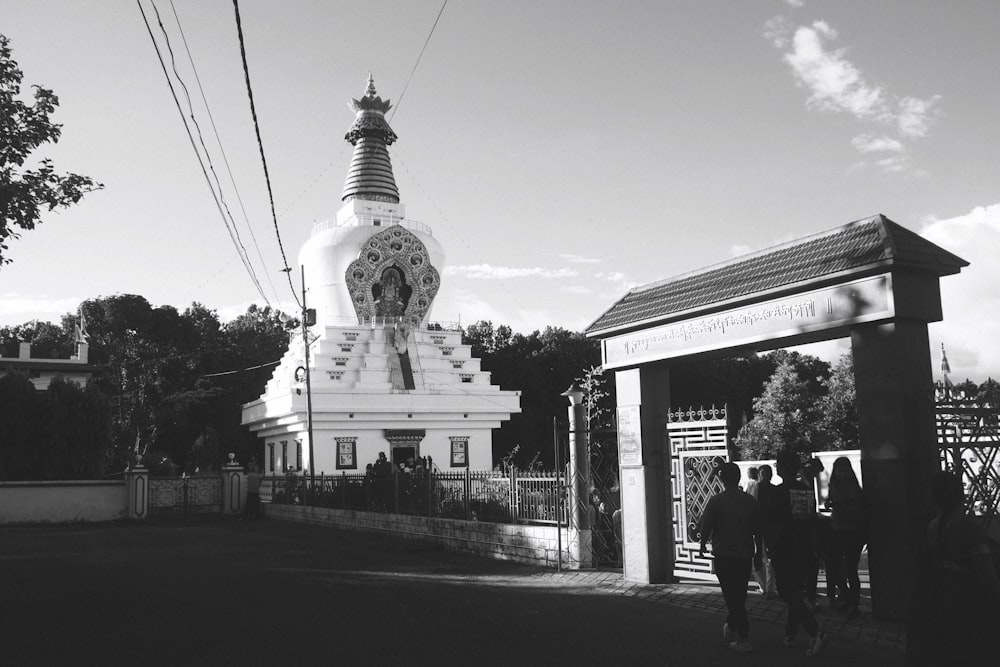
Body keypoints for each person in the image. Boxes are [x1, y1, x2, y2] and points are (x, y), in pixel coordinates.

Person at [907, 471, 1000, 666]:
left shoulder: (931, 528)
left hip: (944, 606)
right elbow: (989, 579)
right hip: (971, 609)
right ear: (962, 496)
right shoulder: (970, 531)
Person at [699, 462, 764, 653]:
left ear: (722, 478)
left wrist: (702, 545)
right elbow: (758, 531)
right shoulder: (750, 501)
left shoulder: (716, 501)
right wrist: (759, 554)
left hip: (724, 555)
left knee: (732, 597)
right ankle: (733, 627)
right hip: (744, 556)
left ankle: (743, 636)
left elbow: (706, 526)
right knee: (739, 595)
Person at [767, 450, 826, 657]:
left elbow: (773, 522)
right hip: (805, 547)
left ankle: (814, 631)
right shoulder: (806, 490)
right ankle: (790, 633)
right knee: (796, 590)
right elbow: (812, 521)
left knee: (786, 590)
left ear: (781, 468)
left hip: (784, 548)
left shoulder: (777, 492)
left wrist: (769, 547)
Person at [826, 456, 865, 619]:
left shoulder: (854, 489)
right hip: (838, 528)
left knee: (850, 568)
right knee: (836, 566)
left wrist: (837, 505)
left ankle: (853, 603)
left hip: (852, 531)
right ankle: (849, 598)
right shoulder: (834, 486)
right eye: (839, 470)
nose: (841, 473)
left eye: (843, 470)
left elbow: (855, 508)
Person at [754, 464, 779, 598]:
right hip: (770, 526)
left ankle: (764, 587)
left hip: (759, 526)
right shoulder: (775, 490)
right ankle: (769, 588)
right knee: (770, 558)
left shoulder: (755, 488)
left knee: (759, 557)